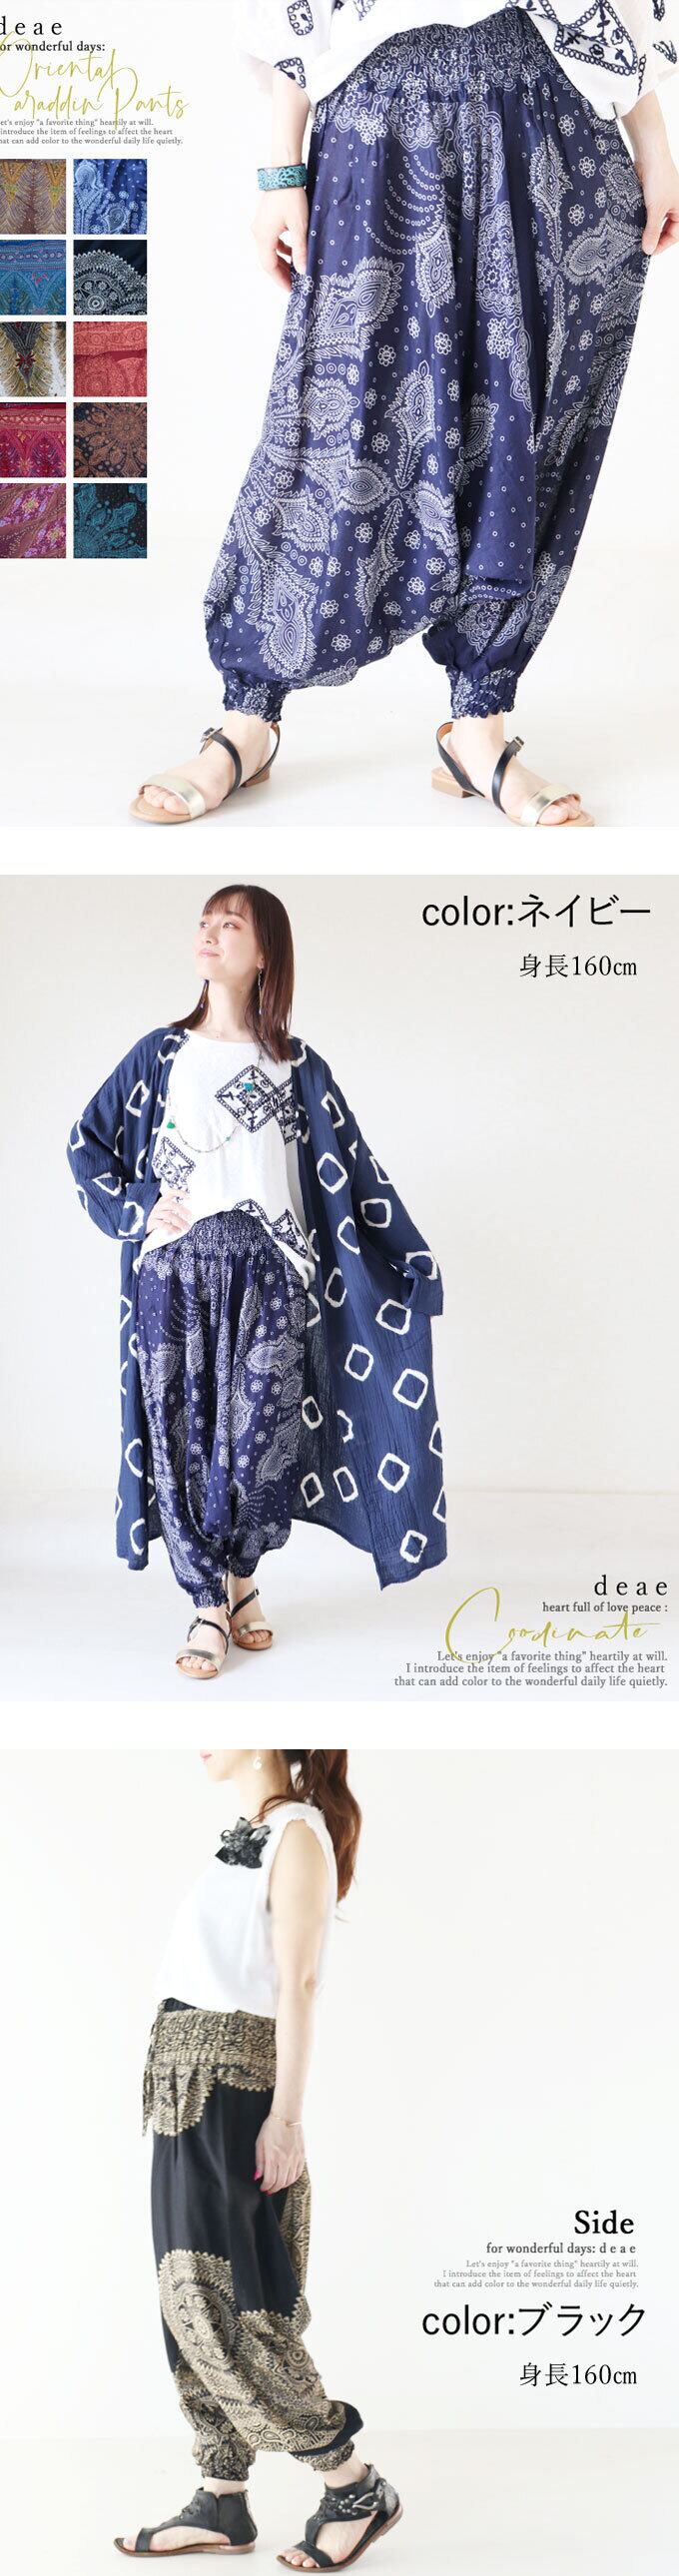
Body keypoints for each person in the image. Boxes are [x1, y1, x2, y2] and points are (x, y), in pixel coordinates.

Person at [132, 0, 679, 831]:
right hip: (379, 116)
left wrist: (656, 147)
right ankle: (248, 715)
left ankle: (479, 725)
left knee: (521, 429)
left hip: (541, 110)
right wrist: (280, 171)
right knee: (328, 424)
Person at [68, 885, 445, 1678]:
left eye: (230, 923)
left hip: (271, 1274)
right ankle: (209, 1601)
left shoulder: (297, 1067)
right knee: (184, 1441)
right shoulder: (160, 1054)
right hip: (173, 1272)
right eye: (204, 922)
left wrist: (409, 1260)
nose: (209, 933)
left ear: (265, 950)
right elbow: (86, 1143)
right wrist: (138, 1208)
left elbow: (357, 1177)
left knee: (256, 1444)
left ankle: (243, 1576)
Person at [116, 1747, 402, 2569]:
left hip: (231, 2090)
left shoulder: (297, 1834)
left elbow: (299, 1985)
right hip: (182, 2088)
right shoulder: (247, 1834)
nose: (200, 1741)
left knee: (226, 2300)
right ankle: (223, 2495)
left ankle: (352, 2484)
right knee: (184, 2300)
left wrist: (286, 2117)